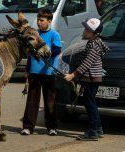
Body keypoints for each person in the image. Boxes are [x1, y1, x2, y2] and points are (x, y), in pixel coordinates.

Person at [64, 18, 109, 141]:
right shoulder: (94, 42)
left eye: (88, 29)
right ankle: (98, 128)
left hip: (92, 78)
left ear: (95, 33)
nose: (85, 30)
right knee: (91, 103)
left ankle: (93, 131)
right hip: (90, 78)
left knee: (90, 105)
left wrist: (73, 75)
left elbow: (87, 63)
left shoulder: (94, 45)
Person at [21, 8, 62, 136]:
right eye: (38, 20)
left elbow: (57, 49)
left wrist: (47, 55)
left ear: (49, 21)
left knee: (50, 100)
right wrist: (27, 70)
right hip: (34, 71)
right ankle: (28, 127)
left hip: (48, 72)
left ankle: (52, 127)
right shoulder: (35, 34)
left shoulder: (54, 34)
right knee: (32, 100)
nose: (39, 22)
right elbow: (29, 54)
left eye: (42, 20)